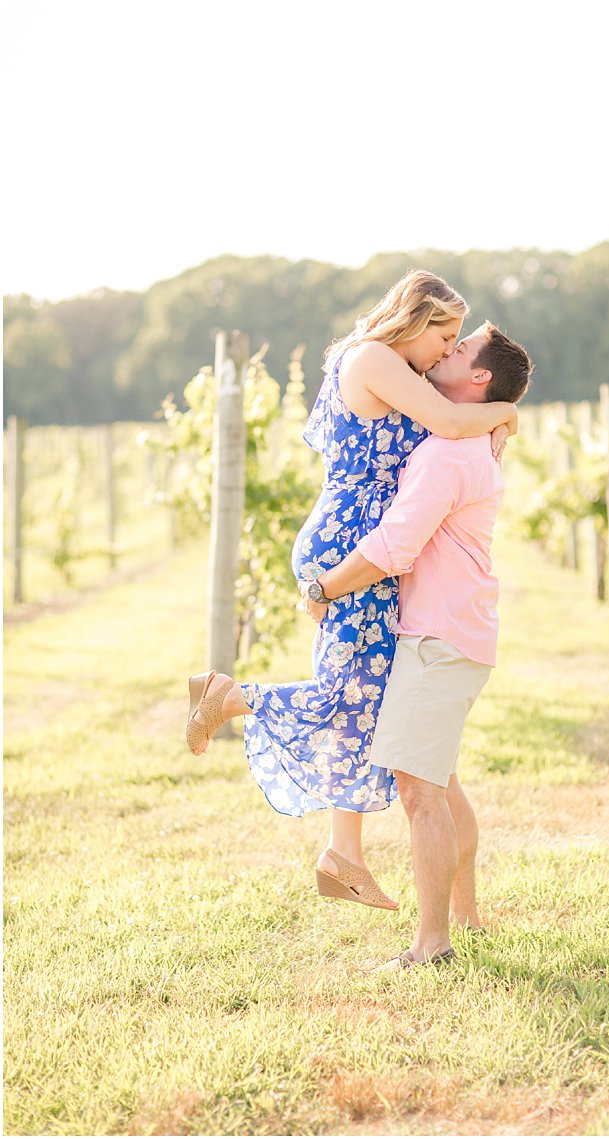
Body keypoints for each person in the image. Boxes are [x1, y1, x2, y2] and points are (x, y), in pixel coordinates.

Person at [183, 271, 520, 911]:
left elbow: (448, 419)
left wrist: (487, 414)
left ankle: (346, 854)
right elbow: (450, 421)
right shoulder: (372, 357)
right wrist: (505, 410)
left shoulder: (397, 369)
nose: (447, 352)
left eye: (455, 344)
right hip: (353, 545)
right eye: (444, 337)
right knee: (352, 696)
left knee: (363, 699)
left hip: (364, 543)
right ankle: (228, 697)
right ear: (415, 321)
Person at [302, 320, 532, 968]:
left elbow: (395, 546)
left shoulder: (446, 452)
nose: (447, 351)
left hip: (437, 637)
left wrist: (324, 589)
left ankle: (433, 944)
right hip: (455, 632)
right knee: (443, 782)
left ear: (478, 378)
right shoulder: (468, 441)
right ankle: (467, 915)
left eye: (460, 349)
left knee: (420, 794)